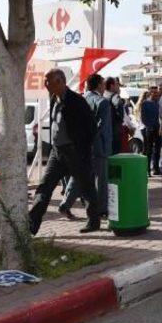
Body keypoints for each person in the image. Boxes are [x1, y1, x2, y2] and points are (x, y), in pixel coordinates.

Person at [29, 69, 100, 234]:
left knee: (87, 187)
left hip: (75, 152)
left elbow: (91, 129)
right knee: (44, 187)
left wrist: (82, 150)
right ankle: (32, 224)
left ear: (60, 81)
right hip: (57, 152)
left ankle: (94, 221)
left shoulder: (77, 101)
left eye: (48, 81)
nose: (45, 85)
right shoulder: (54, 98)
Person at [59, 73, 112, 219]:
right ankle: (101, 210)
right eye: (103, 83)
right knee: (101, 180)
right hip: (98, 147)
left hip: (80, 146)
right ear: (99, 85)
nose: (104, 86)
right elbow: (100, 127)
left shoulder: (79, 99)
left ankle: (65, 205)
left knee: (78, 177)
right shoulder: (102, 102)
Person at [141, 87, 161, 175]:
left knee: (157, 149)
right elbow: (143, 117)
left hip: (158, 129)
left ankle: (156, 168)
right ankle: (147, 169)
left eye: (157, 93)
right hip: (149, 129)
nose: (157, 94)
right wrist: (149, 126)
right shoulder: (145, 103)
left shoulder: (158, 103)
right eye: (154, 93)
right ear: (150, 93)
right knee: (148, 150)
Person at [103, 76, 124, 155]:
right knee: (115, 156)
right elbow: (118, 106)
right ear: (112, 86)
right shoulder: (115, 96)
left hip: (105, 132)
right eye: (117, 84)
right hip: (114, 132)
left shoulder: (102, 95)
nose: (118, 86)